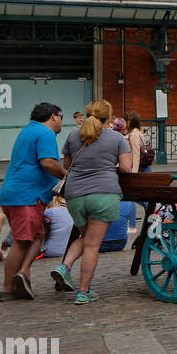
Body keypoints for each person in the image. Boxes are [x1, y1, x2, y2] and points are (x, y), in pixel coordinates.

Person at [51, 99, 132, 305]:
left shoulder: (72, 135)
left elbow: (67, 165)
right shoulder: (117, 138)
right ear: (109, 117)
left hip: (74, 195)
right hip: (103, 194)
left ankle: (65, 266)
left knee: (86, 237)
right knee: (93, 245)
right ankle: (83, 291)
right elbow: (125, 168)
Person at [0, 101, 66, 301]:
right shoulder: (45, 133)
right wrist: (65, 175)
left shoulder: (28, 130)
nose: (62, 121)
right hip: (27, 196)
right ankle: (7, 289)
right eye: (62, 117)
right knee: (22, 240)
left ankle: (24, 272)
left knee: (38, 235)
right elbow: (48, 162)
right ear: (54, 116)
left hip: (15, 193)